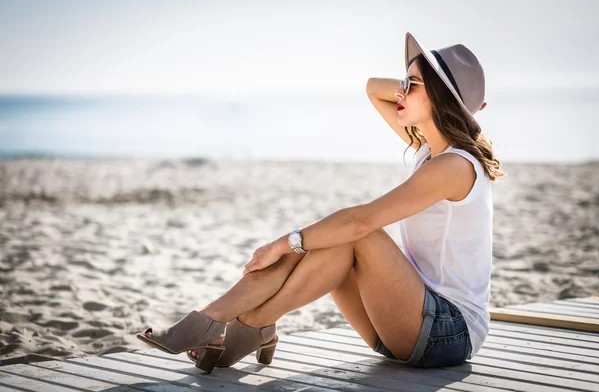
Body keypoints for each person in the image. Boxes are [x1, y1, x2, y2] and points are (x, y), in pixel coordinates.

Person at [137, 32, 505, 373]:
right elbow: (373, 89)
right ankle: (230, 321)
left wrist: (282, 243)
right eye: (404, 83)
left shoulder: (454, 166)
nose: (401, 92)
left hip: (449, 333)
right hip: (403, 321)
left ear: (439, 96)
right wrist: (423, 87)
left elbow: (361, 222)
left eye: (412, 85)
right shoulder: (430, 151)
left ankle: (235, 323)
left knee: (358, 233)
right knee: (330, 238)